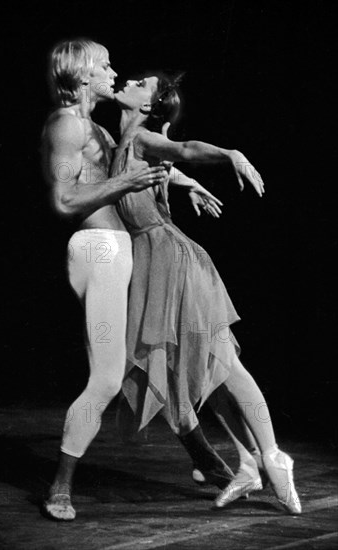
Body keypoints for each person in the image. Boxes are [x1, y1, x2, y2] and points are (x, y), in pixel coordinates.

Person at [41, 38, 235, 521]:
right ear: (82, 75)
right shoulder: (67, 124)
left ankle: (203, 457)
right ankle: (58, 489)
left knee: (147, 361)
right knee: (107, 377)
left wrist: (184, 181)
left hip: (122, 253)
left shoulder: (99, 132)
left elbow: (147, 162)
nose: (113, 72)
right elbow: (65, 200)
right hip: (100, 252)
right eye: (104, 66)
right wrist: (125, 183)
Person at [111, 74, 302, 514]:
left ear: (149, 105)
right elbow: (169, 165)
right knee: (201, 376)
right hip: (152, 263)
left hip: (174, 262)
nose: (130, 79)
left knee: (225, 365)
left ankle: (275, 455)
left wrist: (228, 155)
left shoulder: (141, 137)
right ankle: (249, 464)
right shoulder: (124, 142)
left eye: (142, 82)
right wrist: (186, 184)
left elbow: (183, 150)